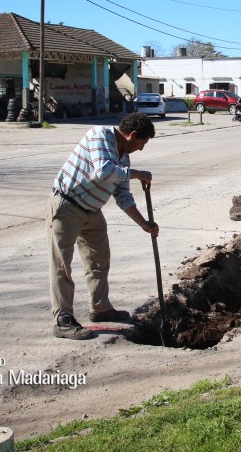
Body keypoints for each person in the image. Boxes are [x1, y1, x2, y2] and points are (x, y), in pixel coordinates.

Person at [47, 112, 159, 340]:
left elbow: (123, 196)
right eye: (141, 143)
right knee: (62, 265)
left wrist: (144, 224)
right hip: (67, 206)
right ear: (132, 134)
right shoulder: (99, 135)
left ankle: (100, 308)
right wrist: (138, 174)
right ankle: (63, 319)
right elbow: (103, 171)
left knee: (99, 260)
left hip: (92, 211)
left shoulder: (124, 159)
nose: (141, 149)